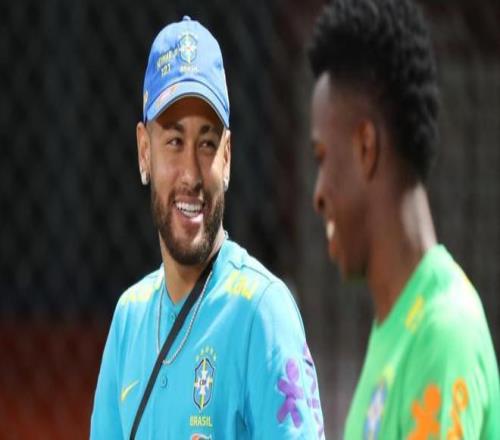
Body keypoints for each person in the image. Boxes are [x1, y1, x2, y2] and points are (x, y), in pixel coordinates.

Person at [90, 16, 324, 439]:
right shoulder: (129, 318)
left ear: (227, 158)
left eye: (207, 144)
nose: (191, 174)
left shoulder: (262, 313)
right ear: (144, 152)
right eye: (174, 142)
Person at [307, 0, 500, 438]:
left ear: (365, 147)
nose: (317, 193)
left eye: (322, 158)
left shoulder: (442, 331)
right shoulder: (396, 328)